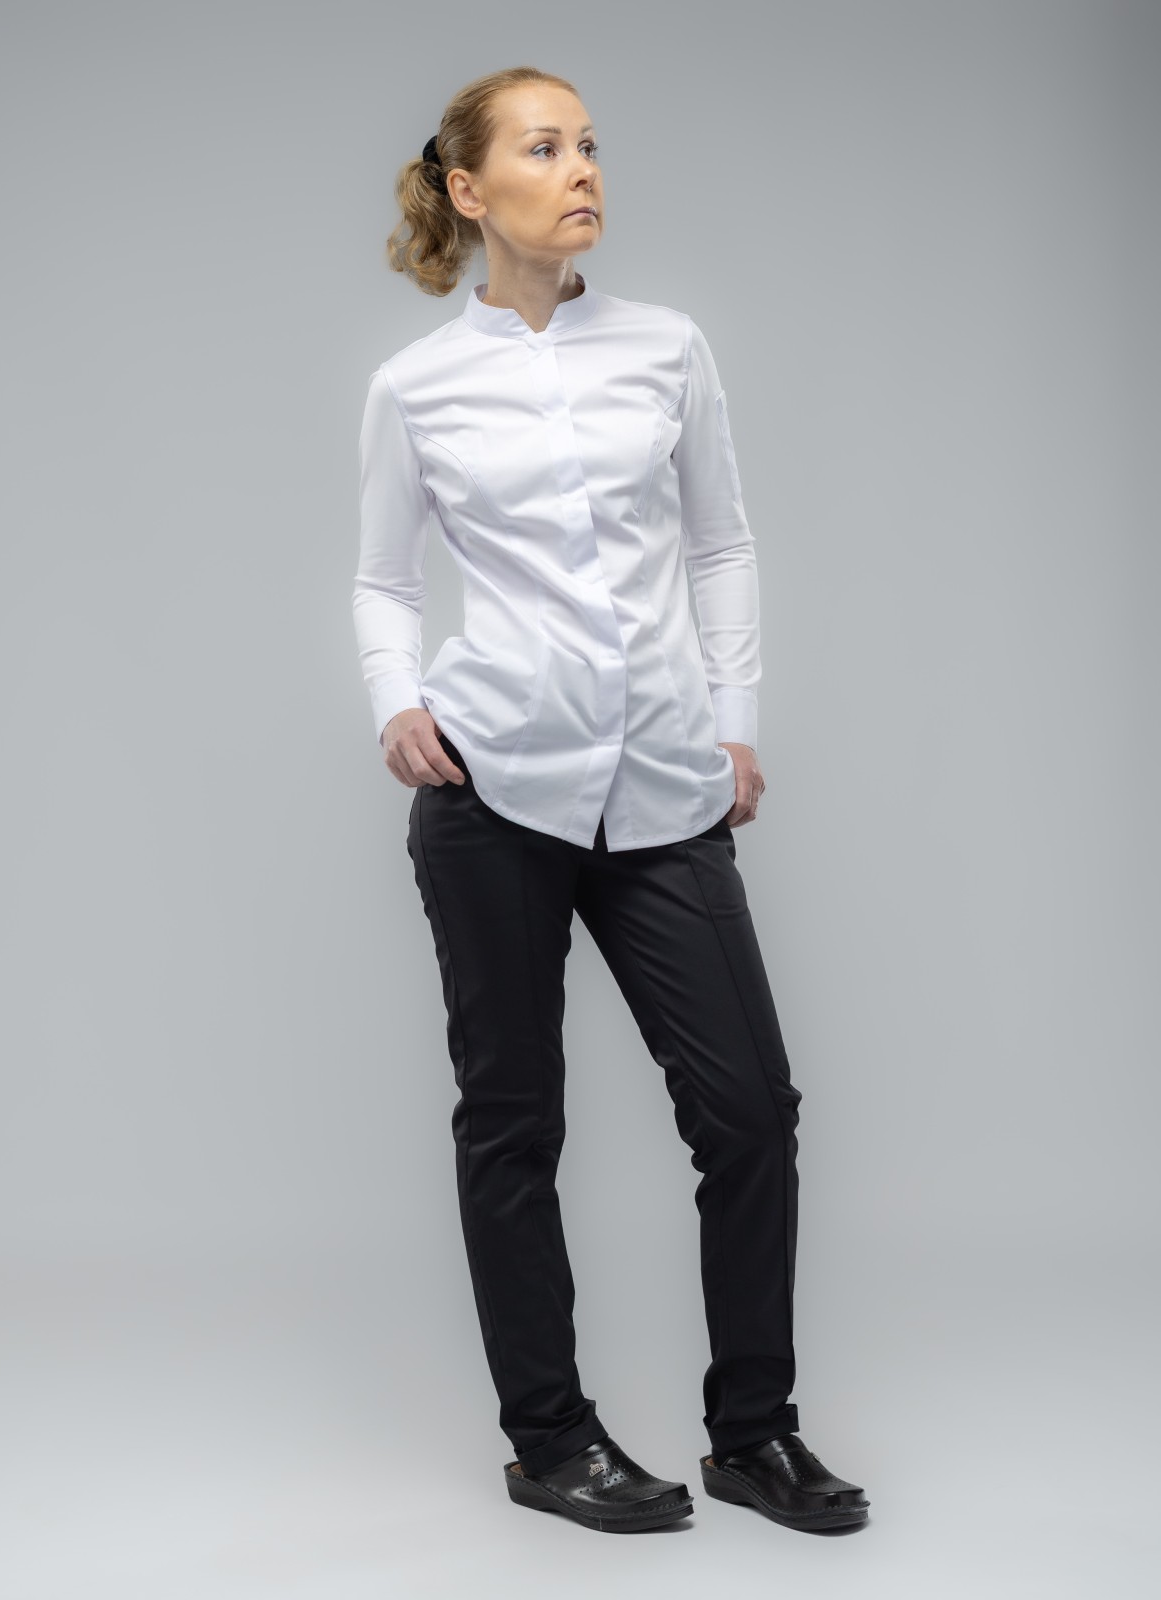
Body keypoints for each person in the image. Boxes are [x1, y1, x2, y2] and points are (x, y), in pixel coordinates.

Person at [352, 65, 870, 1536]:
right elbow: (384, 577)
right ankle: (551, 1441)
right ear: (470, 190)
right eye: (544, 147)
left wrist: (735, 722)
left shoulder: (667, 346)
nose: (581, 168)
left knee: (750, 1111)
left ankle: (754, 1435)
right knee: (514, 1123)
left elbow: (722, 544)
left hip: (661, 785)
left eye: (588, 144)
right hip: (492, 788)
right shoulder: (415, 387)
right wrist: (396, 700)